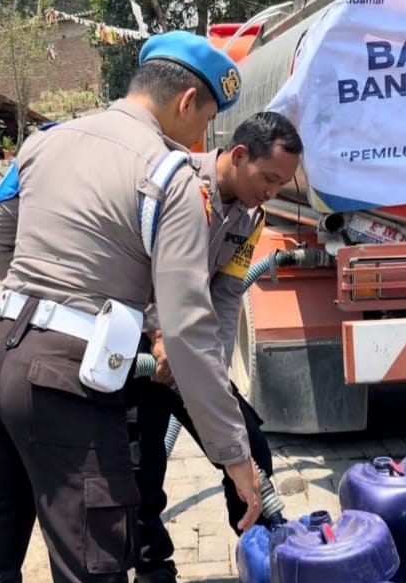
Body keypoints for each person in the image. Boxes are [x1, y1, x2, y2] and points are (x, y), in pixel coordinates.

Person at [0, 30, 263, 583]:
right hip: (64, 383)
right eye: (203, 123)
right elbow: (188, 330)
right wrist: (233, 454)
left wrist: (49, 301)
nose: (200, 140)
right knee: (91, 567)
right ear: (187, 101)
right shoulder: (170, 175)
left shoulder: (44, 142)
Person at [132, 112, 303, 583]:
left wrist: (213, 369)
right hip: (139, 352)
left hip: (188, 355)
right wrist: (158, 335)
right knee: (141, 469)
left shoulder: (251, 217)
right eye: (268, 178)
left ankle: (264, 551)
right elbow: (139, 267)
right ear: (240, 154)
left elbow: (227, 295)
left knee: (248, 443)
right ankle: (152, 570)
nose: (272, 190)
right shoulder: (178, 186)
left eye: (282, 183)